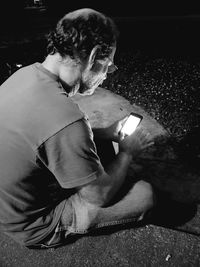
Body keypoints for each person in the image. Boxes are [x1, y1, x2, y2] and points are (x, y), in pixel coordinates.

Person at [0, 8, 154, 249]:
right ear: (93, 57)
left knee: (96, 143)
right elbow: (97, 197)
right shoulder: (68, 121)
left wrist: (106, 131)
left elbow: (46, 135)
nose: (107, 75)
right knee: (144, 196)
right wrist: (127, 152)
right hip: (31, 225)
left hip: (7, 205)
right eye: (109, 65)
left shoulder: (24, 75)